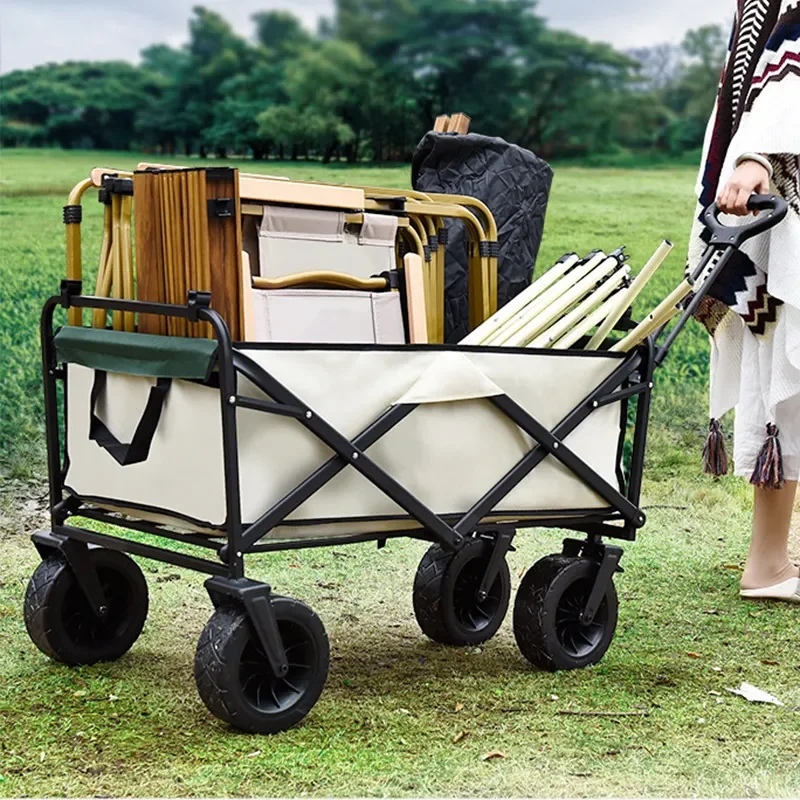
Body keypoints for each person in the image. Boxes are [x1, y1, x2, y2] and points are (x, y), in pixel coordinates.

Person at [688, 0, 800, 602]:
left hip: (774, 168)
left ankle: (771, 559)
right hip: (779, 181)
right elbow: (782, 67)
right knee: (782, 358)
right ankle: (767, 562)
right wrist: (757, 156)